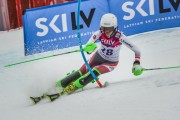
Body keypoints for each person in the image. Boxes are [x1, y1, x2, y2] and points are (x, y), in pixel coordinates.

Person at [55, 13, 143, 94]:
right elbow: (88, 48)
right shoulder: (99, 33)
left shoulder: (120, 37)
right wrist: (89, 49)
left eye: (110, 29)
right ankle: (59, 85)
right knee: (81, 71)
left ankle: (72, 88)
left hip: (111, 63)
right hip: (98, 56)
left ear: (115, 27)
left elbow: (136, 50)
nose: (107, 31)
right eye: (104, 28)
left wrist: (137, 63)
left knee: (95, 71)